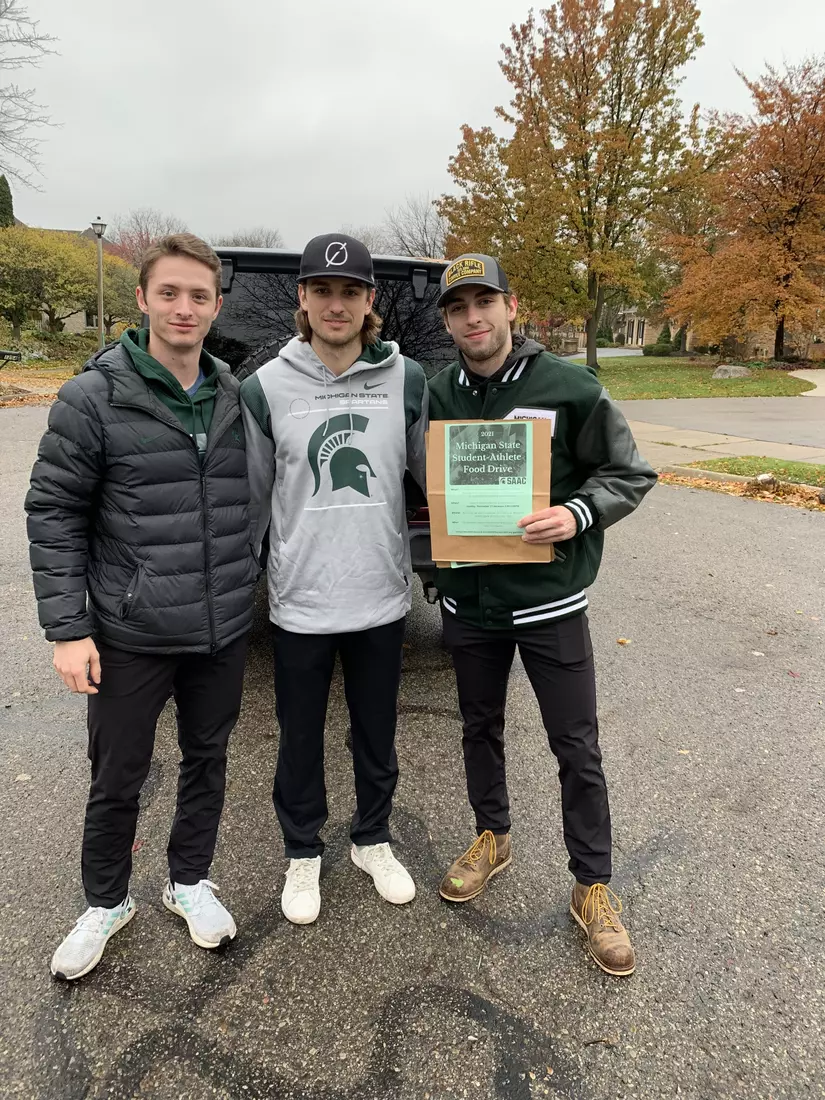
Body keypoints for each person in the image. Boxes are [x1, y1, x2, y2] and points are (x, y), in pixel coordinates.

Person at [25, 233, 258, 980]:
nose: (184, 308)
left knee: (207, 761)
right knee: (116, 774)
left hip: (220, 627)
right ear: (142, 299)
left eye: (198, 295)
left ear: (216, 303)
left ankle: (189, 882)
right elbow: (54, 511)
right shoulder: (93, 396)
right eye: (169, 293)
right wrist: (69, 628)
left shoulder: (232, 393)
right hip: (131, 631)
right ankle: (106, 902)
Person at [427, 253, 657, 976]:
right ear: (447, 320)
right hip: (471, 602)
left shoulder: (568, 385)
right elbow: (422, 485)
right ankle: (491, 836)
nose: (473, 318)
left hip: (549, 603)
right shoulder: (437, 393)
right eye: (458, 307)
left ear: (510, 306)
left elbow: (628, 472)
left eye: (484, 302)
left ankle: (591, 884)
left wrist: (576, 512)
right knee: (477, 727)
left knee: (575, 747)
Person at [240, 233, 427, 925]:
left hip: (379, 595)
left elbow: (432, 476)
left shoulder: (406, 380)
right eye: (323, 290)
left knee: (376, 732)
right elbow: (256, 498)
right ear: (303, 298)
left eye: (350, 291)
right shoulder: (265, 387)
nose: (336, 303)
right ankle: (302, 852)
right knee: (300, 737)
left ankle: (372, 839)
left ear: (370, 299)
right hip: (301, 602)